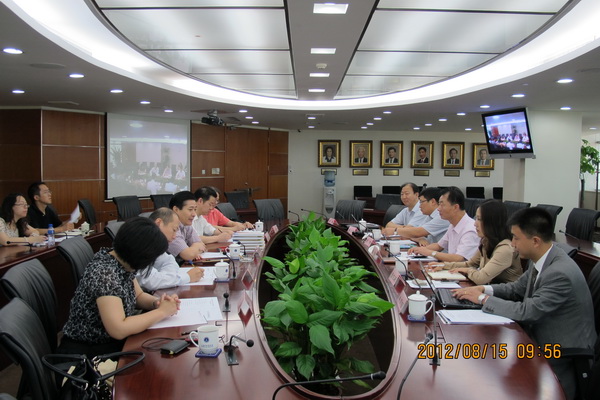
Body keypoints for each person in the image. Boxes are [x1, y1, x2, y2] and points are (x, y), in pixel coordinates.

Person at [454, 208, 595, 399]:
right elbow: (516, 289)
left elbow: (528, 311)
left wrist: (482, 299)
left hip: (559, 354)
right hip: (537, 340)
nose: (512, 244)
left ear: (535, 241)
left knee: (489, 369)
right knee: (484, 363)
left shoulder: (559, 273)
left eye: (516, 238)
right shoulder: (543, 259)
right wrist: (483, 289)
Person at [59, 217, 180, 358]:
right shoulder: (105, 274)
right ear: (140, 255)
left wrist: (157, 303)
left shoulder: (120, 260)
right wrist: (162, 312)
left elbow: (138, 296)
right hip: (88, 353)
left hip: (108, 344)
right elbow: (118, 329)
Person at [433, 200, 522, 284]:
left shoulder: (505, 249)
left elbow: (481, 278)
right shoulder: (486, 241)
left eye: (479, 219)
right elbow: (470, 264)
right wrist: (443, 265)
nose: (475, 224)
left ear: (491, 222)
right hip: (488, 290)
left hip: (502, 294)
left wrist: (468, 271)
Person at [136, 208, 204, 291]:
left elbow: (169, 262)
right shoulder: (139, 241)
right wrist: (187, 277)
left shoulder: (156, 244)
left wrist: (168, 279)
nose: (175, 236)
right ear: (158, 223)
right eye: (174, 230)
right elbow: (149, 281)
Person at [409, 187, 479, 261]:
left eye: (442, 205)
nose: (438, 209)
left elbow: (459, 258)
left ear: (455, 207)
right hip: (451, 266)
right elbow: (439, 246)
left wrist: (431, 253)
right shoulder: (453, 225)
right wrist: (419, 250)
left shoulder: (470, 230)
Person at [168, 191, 206, 264]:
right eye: (190, 209)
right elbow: (188, 255)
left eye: (195, 209)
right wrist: (193, 251)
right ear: (176, 210)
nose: (194, 214)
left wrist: (193, 250)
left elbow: (201, 244)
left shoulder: (186, 225)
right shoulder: (170, 228)